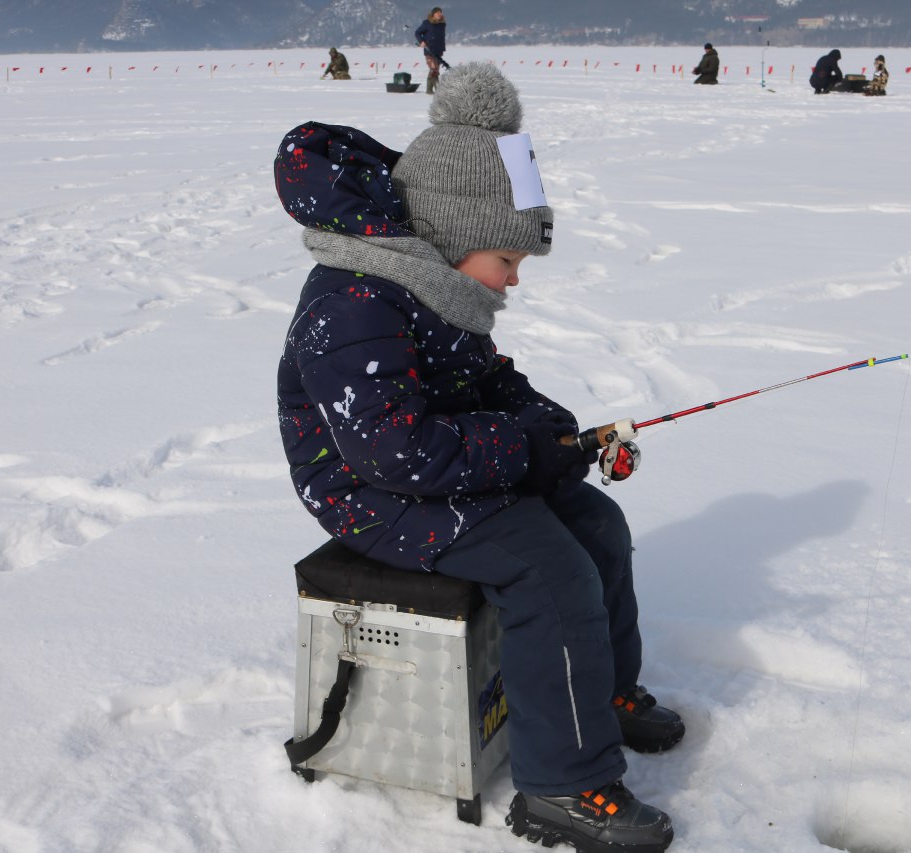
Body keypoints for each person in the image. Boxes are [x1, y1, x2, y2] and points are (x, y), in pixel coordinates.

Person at [273, 63, 683, 852]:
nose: (515, 278)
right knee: (547, 568)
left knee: (595, 522)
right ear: (456, 236)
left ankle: (603, 695)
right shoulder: (354, 301)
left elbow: (486, 380)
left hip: (436, 470)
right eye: (509, 259)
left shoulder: (438, 288)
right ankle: (562, 786)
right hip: (372, 492)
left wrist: (554, 435)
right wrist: (517, 450)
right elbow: (395, 449)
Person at [415, 6, 447, 94]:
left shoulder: (442, 24)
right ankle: (437, 90)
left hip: (439, 50)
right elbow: (417, 32)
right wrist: (421, 41)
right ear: (433, 14)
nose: (440, 14)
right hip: (429, 49)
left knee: (435, 70)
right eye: (437, 13)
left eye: (441, 12)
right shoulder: (427, 23)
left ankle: (429, 90)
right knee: (433, 69)